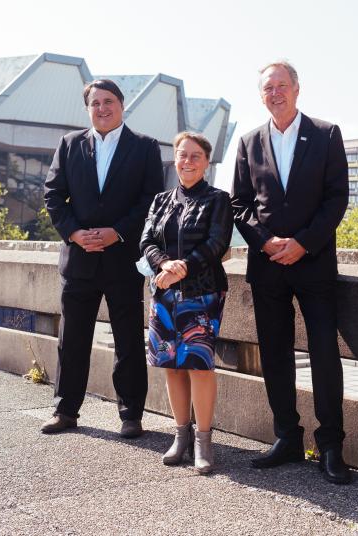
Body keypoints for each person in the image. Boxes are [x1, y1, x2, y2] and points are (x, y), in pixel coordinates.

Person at [230, 61, 351, 483]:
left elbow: (336, 199)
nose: (276, 92)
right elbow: (239, 204)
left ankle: (332, 445)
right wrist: (264, 241)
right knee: (275, 353)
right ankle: (287, 437)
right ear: (261, 94)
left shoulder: (326, 134)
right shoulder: (248, 141)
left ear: (297, 89)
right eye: (268, 87)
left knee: (323, 353)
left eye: (283, 85)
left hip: (313, 262)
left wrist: (303, 242)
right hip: (267, 266)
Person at [42, 79, 164, 438]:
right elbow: (53, 194)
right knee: (73, 337)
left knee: (128, 339)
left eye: (108, 101)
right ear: (88, 109)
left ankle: (131, 414)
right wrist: (75, 233)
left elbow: (151, 201)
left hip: (122, 258)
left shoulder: (144, 147)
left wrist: (117, 232)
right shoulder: (69, 144)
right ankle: (65, 410)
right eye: (95, 103)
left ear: (121, 105)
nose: (102, 108)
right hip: (79, 258)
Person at [140, 132, 233, 473]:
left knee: (198, 364)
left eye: (196, 156)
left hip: (202, 293)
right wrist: (164, 264)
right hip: (164, 292)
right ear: (174, 159)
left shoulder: (218, 199)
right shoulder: (160, 200)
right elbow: (147, 240)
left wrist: (182, 269)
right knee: (171, 364)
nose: (188, 161)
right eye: (183, 155)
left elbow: (216, 243)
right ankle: (181, 435)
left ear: (207, 162)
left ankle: (204, 440)